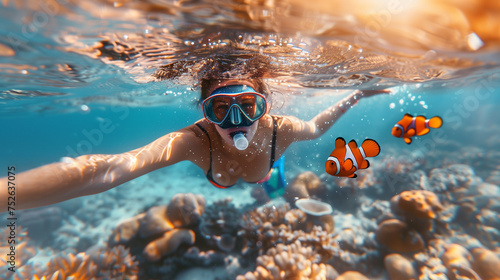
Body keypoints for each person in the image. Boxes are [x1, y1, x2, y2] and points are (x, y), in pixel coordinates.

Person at [0, 78, 388, 211]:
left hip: (265, 170)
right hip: (223, 176)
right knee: (263, 180)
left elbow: (319, 127)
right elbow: (107, 168)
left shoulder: (281, 129)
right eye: (222, 110)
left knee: (272, 183)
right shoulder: (191, 142)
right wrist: (8, 196)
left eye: (248, 107)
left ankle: (274, 177)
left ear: (265, 106)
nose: (237, 123)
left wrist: (355, 95)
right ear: (205, 113)